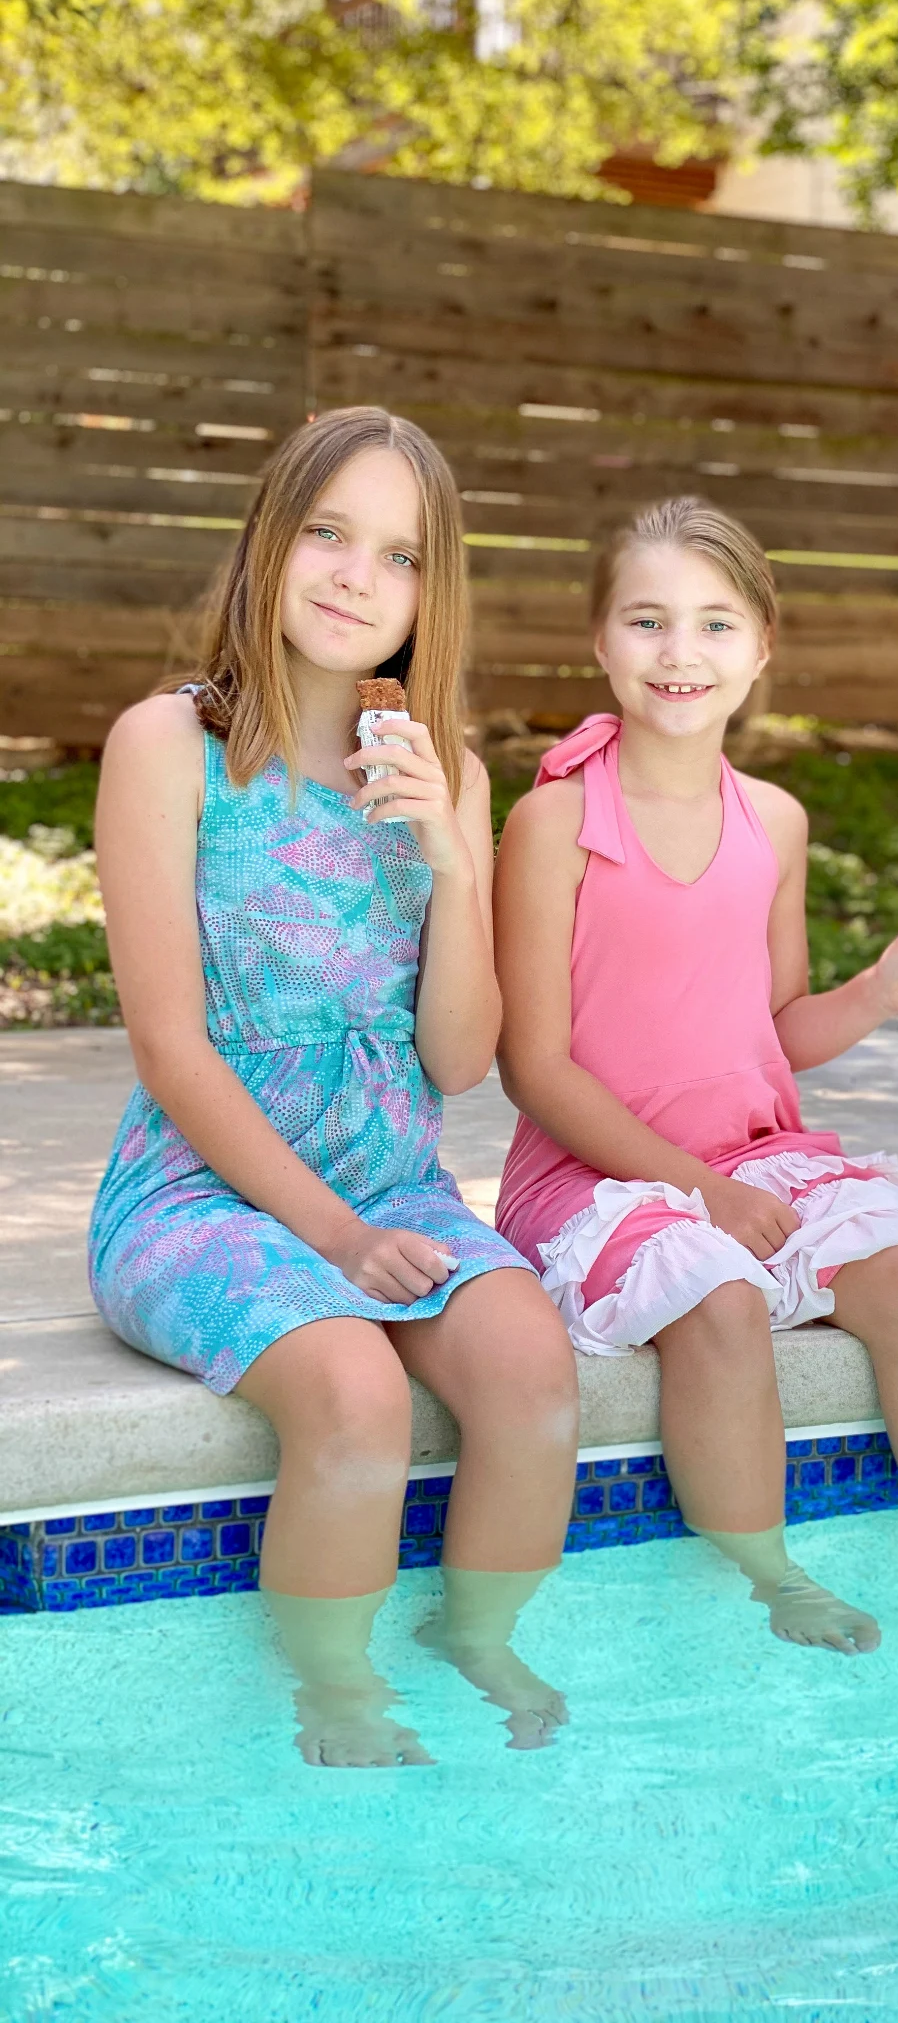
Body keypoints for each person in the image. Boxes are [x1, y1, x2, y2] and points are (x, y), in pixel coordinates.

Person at [494, 498, 898, 1651]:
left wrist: (886, 987)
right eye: (647, 621)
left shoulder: (773, 821)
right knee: (722, 1301)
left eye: (714, 625)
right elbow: (532, 1066)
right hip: (596, 1177)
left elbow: (777, 1028)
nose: (680, 653)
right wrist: (703, 1190)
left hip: (750, 1152)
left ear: (762, 649)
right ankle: (772, 1572)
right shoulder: (553, 823)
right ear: (599, 642)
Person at [89, 407, 579, 1764]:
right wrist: (336, 1238)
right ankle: (334, 1692)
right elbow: (170, 1050)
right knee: (355, 1392)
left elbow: (462, 1059)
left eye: (400, 554)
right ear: (270, 540)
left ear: (436, 591)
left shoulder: (449, 776)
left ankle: (475, 1638)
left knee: (535, 1371)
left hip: (394, 1182)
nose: (358, 576)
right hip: (201, 1191)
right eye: (329, 533)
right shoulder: (167, 747)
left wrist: (452, 858)